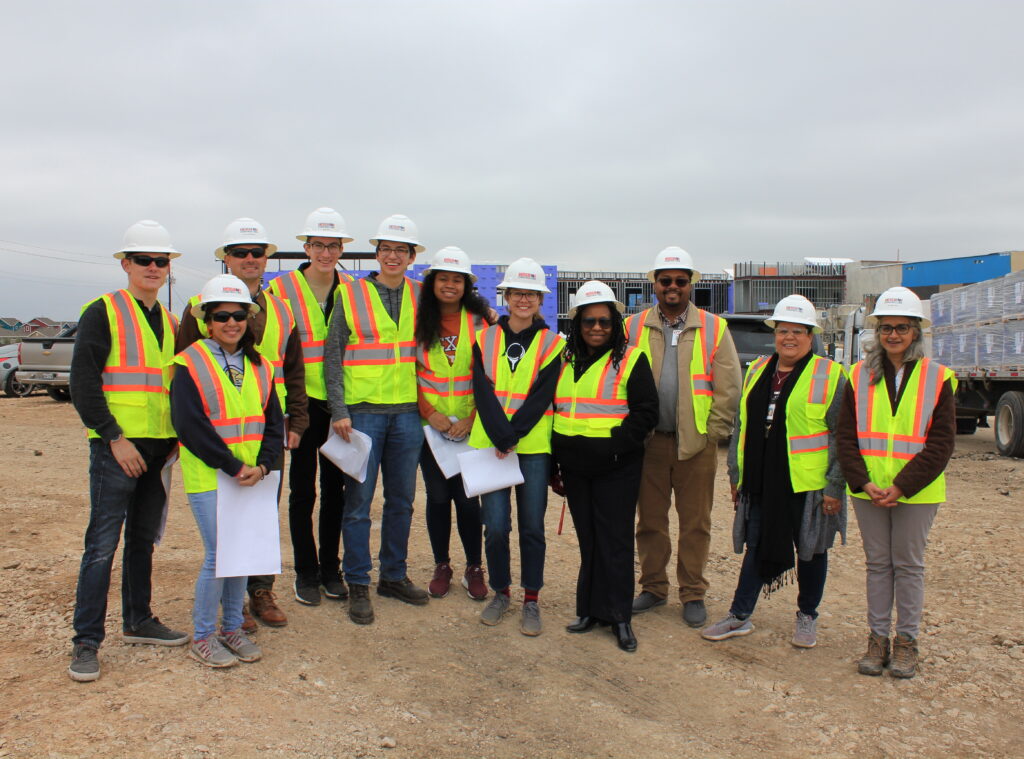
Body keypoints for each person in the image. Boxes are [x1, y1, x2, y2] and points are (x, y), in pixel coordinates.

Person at [68, 220, 189, 682]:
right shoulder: (103, 311)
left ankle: (139, 619)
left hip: (159, 449)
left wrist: (176, 441)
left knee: (143, 540)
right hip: (117, 447)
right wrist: (113, 438)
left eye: (162, 261)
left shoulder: (172, 321)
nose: (154, 268)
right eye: (145, 260)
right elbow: (84, 383)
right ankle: (86, 642)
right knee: (101, 545)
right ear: (126, 264)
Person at [176, 217, 307, 629]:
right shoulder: (197, 307)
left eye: (257, 252)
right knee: (225, 535)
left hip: (265, 432)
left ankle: (259, 592)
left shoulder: (283, 310)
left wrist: (296, 422)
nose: (250, 259)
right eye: (241, 253)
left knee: (261, 518)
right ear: (227, 258)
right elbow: (187, 371)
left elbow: (294, 369)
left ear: (267, 257)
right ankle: (223, 608)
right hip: (216, 443)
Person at [702, 295, 846, 649]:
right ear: (775, 334)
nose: (789, 338)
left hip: (808, 484)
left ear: (811, 336)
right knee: (756, 546)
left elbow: (842, 435)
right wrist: (737, 475)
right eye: (783, 331)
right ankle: (739, 615)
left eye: (798, 331)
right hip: (762, 481)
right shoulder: (757, 370)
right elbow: (742, 427)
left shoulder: (830, 374)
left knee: (811, 552)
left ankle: (807, 616)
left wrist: (834, 487)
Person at [838, 287, 955, 679]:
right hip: (868, 490)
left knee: (908, 566)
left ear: (916, 331)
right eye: (886, 327)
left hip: (916, 492)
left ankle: (906, 643)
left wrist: (903, 486)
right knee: (877, 565)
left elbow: (941, 443)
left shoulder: (938, 378)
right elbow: (846, 436)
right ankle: (877, 640)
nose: (893, 335)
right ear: (876, 331)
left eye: (902, 327)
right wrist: (863, 482)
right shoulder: (858, 376)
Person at [171, 274, 285, 667]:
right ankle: (203, 635)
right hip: (212, 475)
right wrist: (233, 466)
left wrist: (266, 463)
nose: (231, 322)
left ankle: (231, 628)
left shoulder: (261, 365)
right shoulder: (189, 363)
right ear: (207, 321)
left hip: (252, 477)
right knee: (220, 555)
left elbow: (274, 422)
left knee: (242, 552)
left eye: (239, 315)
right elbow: (189, 425)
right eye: (222, 315)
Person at [626, 246, 741, 628]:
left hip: (696, 445)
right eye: (665, 280)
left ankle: (693, 592)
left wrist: (714, 433)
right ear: (654, 284)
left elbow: (728, 387)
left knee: (696, 524)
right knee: (650, 522)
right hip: (649, 443)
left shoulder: (713, 327)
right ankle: (654, 588)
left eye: (680, 280)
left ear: (690, 284)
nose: (672, 287)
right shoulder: (633, 326)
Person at [325, 214, 430, 625]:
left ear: (411, 256)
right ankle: (358, 583)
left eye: (400, 250)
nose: (392, 256)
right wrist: (339, 410)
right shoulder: (350, 295)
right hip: (363, 414)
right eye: (385, 249)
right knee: (358, 506)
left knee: (402, 502)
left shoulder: (422, 294)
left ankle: (393, 575)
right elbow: (333, 354)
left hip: (407, 414)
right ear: (377, 253)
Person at [552, 281, 657, 652]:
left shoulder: (631, 359)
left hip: (616, 468)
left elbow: (646, 413)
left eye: (604, 322)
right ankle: (590, 611)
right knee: (589, 541)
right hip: (576, 469)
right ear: (577, 323)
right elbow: (554, 411)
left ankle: (620, 617)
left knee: (614, 543)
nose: (597, 328)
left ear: (615, 324)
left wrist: (615, 449)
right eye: (589, 321)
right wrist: (555, 464)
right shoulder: (564, 360)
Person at [469, 257, 563, 636]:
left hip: (533, 446)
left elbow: (542, 396)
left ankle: (531, 599)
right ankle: (501, 592)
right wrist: (501, 435)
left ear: (540, 299)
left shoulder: (554, 344)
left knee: (531, 527)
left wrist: (512, 436)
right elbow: (482, 390)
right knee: (495, 527)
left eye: (531, 294)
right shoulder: (484, 337)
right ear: (505, 295)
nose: (524, 299)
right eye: (517, 292)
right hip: (490, 444)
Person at [267, 207, 353, 607]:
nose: (325, 252)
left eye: (332, 245)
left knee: (336, 490)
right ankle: (305, 571)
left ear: (341, 248)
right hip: (300, 405)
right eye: (318, 244)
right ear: (306, 246)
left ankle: (330, 569)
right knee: (303, 491)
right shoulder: (280, 290)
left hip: (339, 405)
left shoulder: (354, 289)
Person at [415, 247, 492, 600]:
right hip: (431, 428)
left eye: (456, 279)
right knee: (437, 497)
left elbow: (492, 376)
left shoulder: (481, 322)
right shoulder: (416, 320)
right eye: (443, 278)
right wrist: (430, 413)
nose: (449, 285)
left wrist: (473, 418)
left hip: (469, 426)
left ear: (466, 285)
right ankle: (442, 564)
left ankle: (474, 567)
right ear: (432, 282)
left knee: (466, 499)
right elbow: (408, 372)